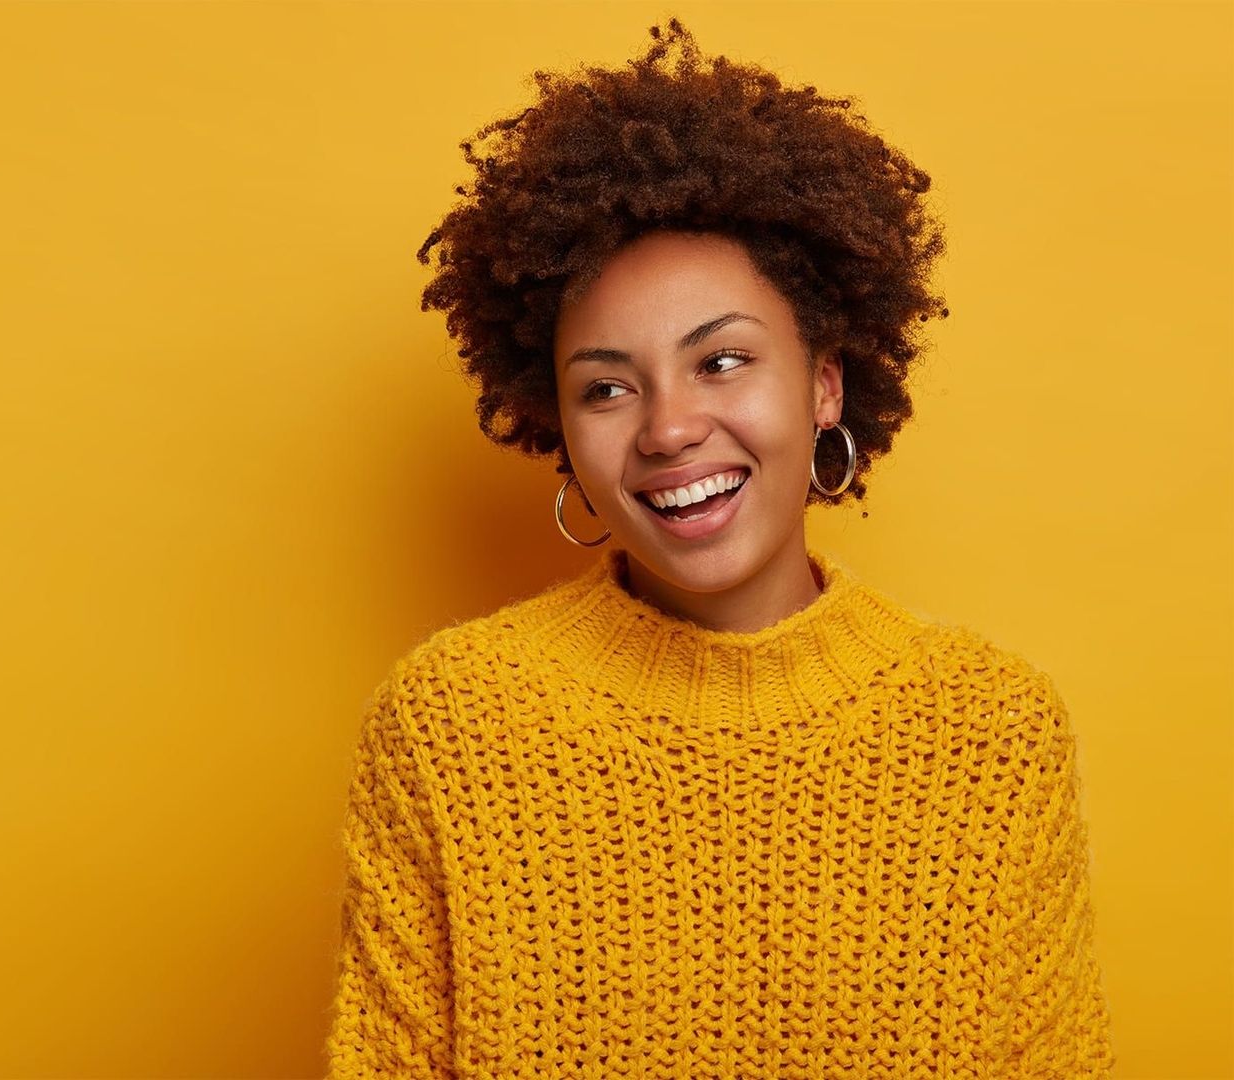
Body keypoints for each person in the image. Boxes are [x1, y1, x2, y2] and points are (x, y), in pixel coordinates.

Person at [324, 19, 1114, 1078]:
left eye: (721, 361)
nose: (665, 429)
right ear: (556, 424)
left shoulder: (990, 732)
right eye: (606, 386)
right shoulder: (449, 726)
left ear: (824, 381)